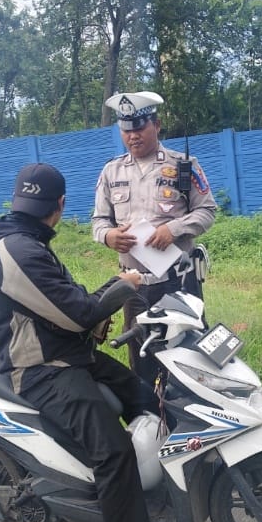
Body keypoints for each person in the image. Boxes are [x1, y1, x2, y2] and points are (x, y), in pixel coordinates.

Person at [0, 162, 181, 522]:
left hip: (72, 355)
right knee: (113, 451)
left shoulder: (28, 241)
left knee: (149, 399)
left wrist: (107, 299)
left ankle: (147, 494)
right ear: (61, 205)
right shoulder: (16, 249)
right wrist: (122, 286)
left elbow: (63, 306)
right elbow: (77, 313)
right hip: (40, 368)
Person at [92, 91, 216, 383]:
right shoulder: (111, 171)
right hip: (133, 286)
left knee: (188, 358)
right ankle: (150, 409)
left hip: (177, 282)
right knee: (141, 359)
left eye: (139, 128)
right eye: (126, 130)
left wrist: (173, 230)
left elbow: (207, 211)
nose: (132, 136)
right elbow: (98, 221)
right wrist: (108, 236)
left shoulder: (183, 166)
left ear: (156, 126)